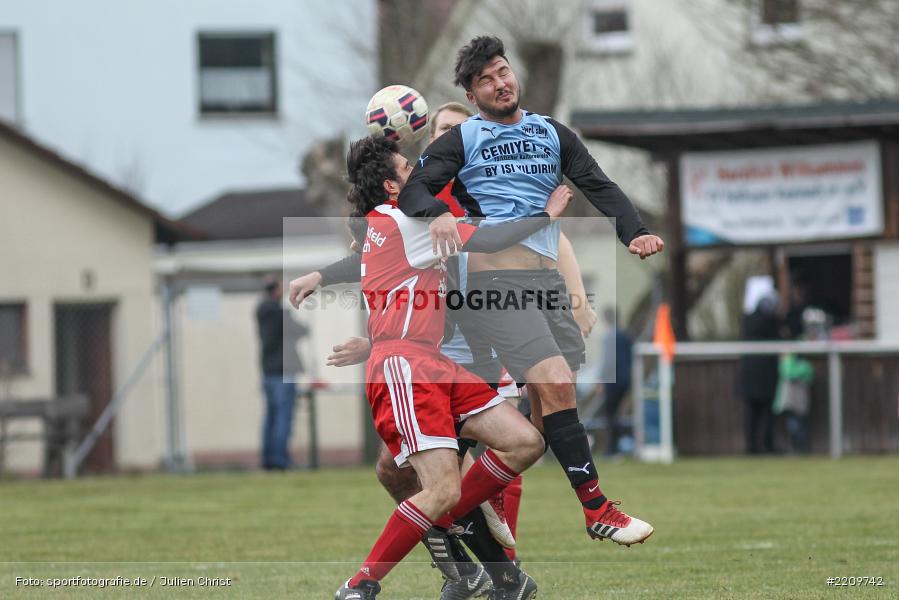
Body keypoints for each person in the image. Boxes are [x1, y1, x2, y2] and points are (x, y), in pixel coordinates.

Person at [397, 35, 662, 546]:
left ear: (512, 73)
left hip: (543, 286)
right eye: (485, 81)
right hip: (493, 286)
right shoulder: (461, 139)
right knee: (556, 381)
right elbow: (415, 192)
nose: (499, 84)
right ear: (472, 97)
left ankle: (452, 508)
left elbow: (600, 185)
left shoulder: (552, 133)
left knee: (537, 432)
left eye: (502, 72)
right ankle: (597, 510)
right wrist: (440, 217)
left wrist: (635, 231)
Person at [334, 136, 573, 600]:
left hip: (433, 361)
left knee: (524, 442)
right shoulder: (406, 221)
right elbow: (492, 237)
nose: (419, 177)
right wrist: (546, 213)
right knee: (440, 490)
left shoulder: (384, 221)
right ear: (390, 186)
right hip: (406, 367)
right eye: (409, 170)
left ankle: (460, 516)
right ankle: (361, 584)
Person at [255, 275, 307, 470]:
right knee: (283, 417)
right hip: (284, 372)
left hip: (268, 372)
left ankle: (268, 459)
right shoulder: (279, 313)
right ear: (276, 290)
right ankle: (280, 460)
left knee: (270, 417)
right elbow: (302, 330)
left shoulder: (260, 310)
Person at [738, 276, 782, 455]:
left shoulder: (747, 318)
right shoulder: (762, 319)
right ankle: (761, 446)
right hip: (761, 372)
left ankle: (755, 446)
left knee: (756, 413)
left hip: (753, 372)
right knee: (760, 412)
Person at [597, 307, 633, 457]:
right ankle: (616, 447)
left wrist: (601, 381)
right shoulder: (626, 335)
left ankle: (612, 449)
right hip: (625, 380)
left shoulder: (609, 336)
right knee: (616, 415)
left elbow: (609, 361)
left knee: (610, 415)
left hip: (613, 381)